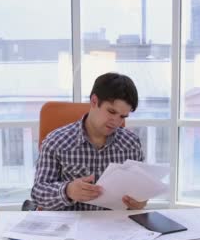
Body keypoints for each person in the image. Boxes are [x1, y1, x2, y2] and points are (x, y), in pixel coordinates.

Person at [31, 72, 146, 211]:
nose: (116, 121)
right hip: (72, 227)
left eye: (123, 116)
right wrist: (68, 191)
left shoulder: (131, 144)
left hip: (115, 226)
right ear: (94, 101)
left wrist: (139, 202)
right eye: (111, 112)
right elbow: (38, 194)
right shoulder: (56, 141)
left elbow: (141, 191)